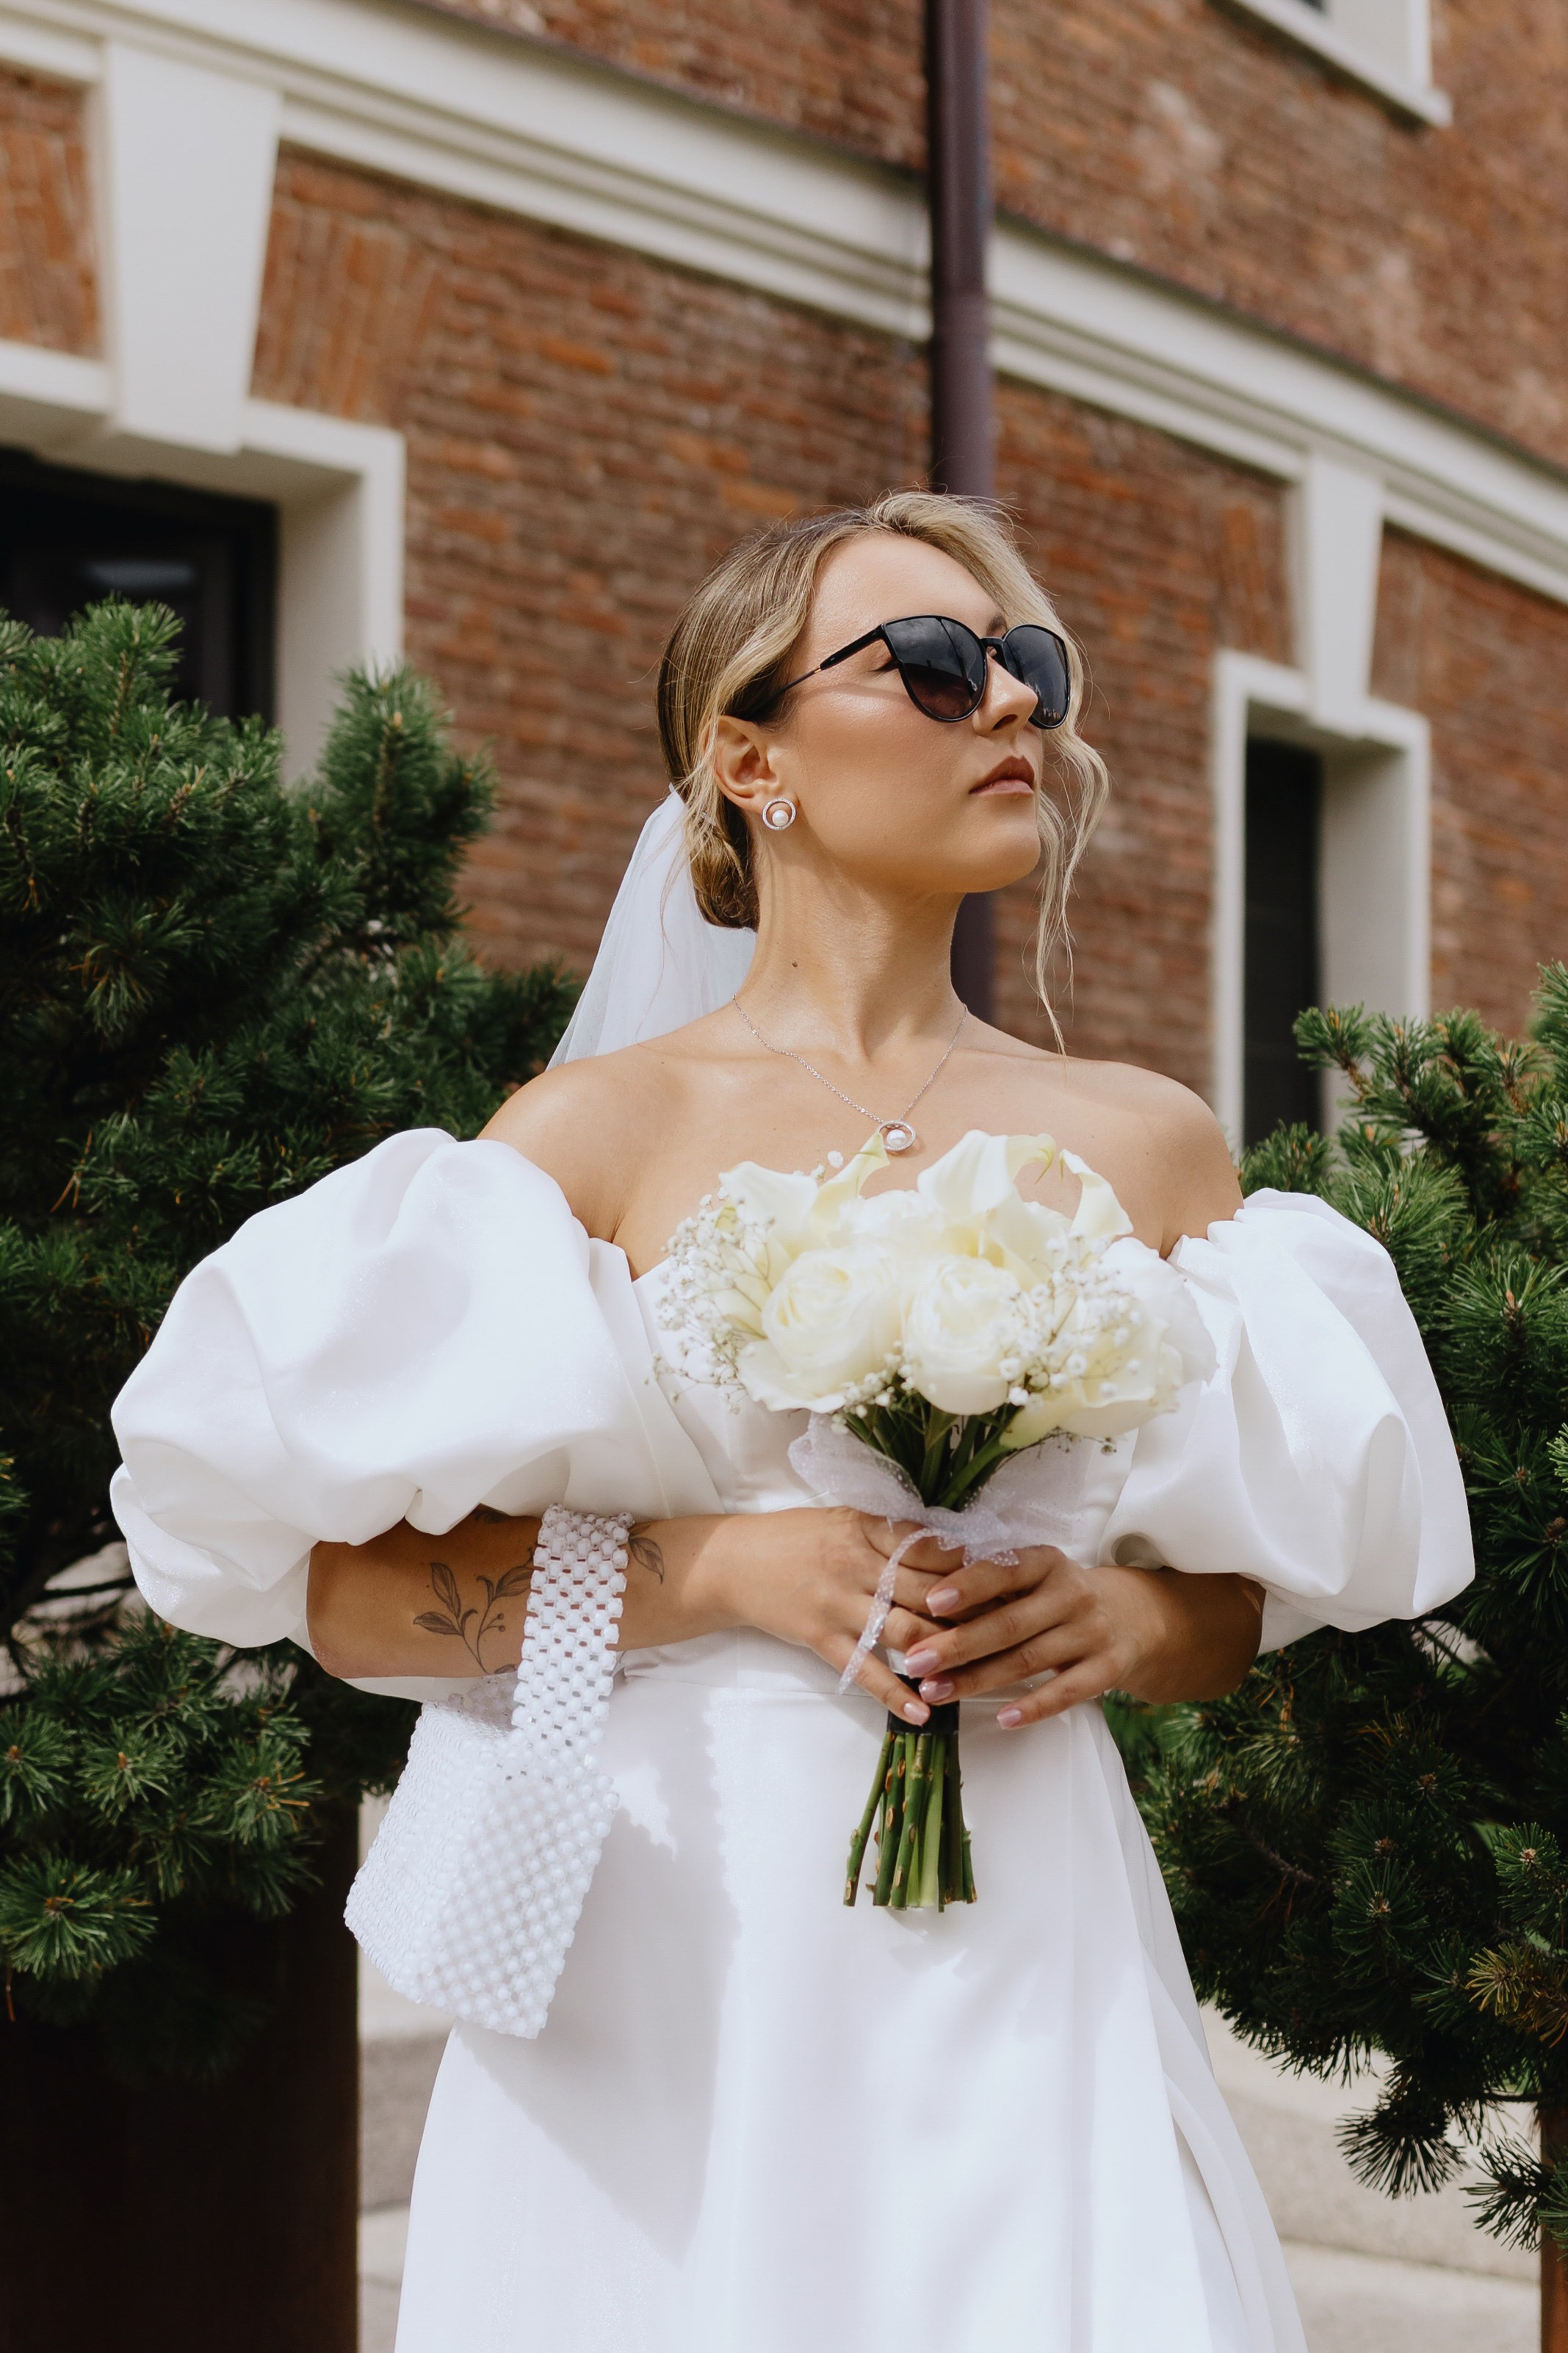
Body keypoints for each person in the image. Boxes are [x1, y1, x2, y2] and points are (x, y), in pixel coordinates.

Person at [111, 491, 1473, 2352]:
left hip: (1023, 1911)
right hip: (680, 1943)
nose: (1008, 707)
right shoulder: (589, 1141)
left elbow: (1238, 1594)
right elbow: (349, 1601)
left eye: (1029, 667)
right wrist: (729, 1568)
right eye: (928, 662)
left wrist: (1132, 1622)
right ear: (753, 759)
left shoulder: (1150, 1141)